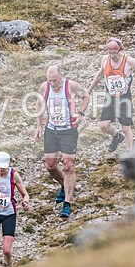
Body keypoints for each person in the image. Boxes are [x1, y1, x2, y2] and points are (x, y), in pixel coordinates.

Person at [34, 65, 90, 219]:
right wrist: (38, 126)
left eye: (55, 80)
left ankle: (67, 203)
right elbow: (39, 104)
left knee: (68, 166)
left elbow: (86, 96)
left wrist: (80, 114)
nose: (53, 84)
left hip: (68, 130)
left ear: (61, 76)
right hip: (51, 130)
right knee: (50, 166)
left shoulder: (70, 86)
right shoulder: (44, 87)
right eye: (50, 80)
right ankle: (64, 186)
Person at [87, 38, 135, 152]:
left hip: (124, 98)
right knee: (103, 125)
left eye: (115, 52)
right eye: (110, 52)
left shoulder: (129, 61)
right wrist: (88, 91)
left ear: (120, 49)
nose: (112, 55)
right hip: (110, 98)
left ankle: (130, 153)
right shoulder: (105, 60)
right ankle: (117, 136)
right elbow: (99, 75)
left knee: (126, 128)